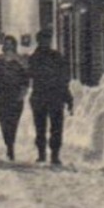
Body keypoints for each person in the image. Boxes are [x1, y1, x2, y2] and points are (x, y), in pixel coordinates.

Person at [28, 28, 74, 166]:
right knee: (40, 128)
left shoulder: (57, 57)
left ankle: (55, 155)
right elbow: (30, 75)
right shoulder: (34, 58)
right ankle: (41, 154)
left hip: (55, 97)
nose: (46, 42)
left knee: (56, 128)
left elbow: (63, 78)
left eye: (48, 39)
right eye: (43, 40)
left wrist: (68, 97)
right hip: (40, 97)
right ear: (39, 41)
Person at [0, 34, 30, 160]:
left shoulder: (21, 60)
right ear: (3, 46)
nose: (9, 47)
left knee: (13, 121)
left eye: (11, 44)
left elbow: (26, 79)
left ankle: (10, 145)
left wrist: (23, 92)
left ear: (15, 46)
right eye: (7, 44)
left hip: (16, 95)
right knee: (3, 121)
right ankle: (8, 143)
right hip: (2, 95)